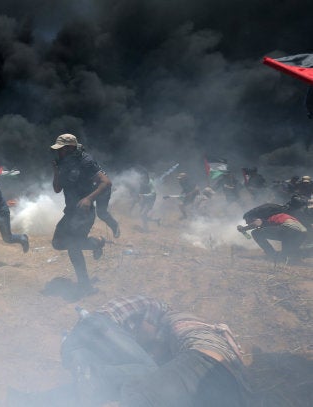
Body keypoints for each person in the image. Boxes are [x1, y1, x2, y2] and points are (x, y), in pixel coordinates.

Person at [119, 309, 250, 407]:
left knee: (135, 393)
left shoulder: (167, 319)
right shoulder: (200, 330)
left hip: (201, 364)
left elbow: (152, 349)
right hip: (231, 386)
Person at [61, 296, 170, 405]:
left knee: (117, 378)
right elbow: (146, 332)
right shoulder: (157, 305)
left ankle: (84, 365)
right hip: (101, 325)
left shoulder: (135, 313)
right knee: (153, 371)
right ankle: (94, 375)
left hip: (81, 335)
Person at [50, 134, 107, 296]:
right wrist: (56, 171)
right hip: (70, 212)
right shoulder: (64, 163)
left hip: (83, 213)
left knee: (73, 246)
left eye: (60, 149)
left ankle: (85, 286)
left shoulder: (86, 161)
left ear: (69, 148)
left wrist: (89, 198)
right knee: (58, 243)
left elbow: (106, 182)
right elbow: (57, 189)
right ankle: (95, 243)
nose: (58, 153)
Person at [237, 205, 307, 263]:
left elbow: (257, 223)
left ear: (253, 217)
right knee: (284, 255)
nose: (246, 223)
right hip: (302, 233)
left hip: (289, 229)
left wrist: (244, 229)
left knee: (256, 233)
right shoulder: (278, 216)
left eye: (247, 220)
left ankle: (273, 255)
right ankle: (292, 257)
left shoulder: (265, 218)